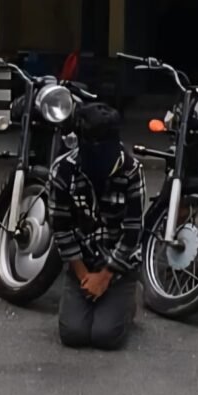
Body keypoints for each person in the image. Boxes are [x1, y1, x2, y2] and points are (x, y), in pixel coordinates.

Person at [49, 103, 145, 350]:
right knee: (73, 334)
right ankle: (92, 297)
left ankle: (128, 300)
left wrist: (105, 276)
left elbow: (133, 231)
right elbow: (61, 228)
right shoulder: (63, 170)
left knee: (105, 336)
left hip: (119, 266)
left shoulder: (131, 170)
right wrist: (84, 276)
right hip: (82, 262)